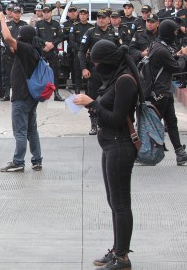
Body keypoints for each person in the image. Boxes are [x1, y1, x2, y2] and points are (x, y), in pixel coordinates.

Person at [73, 40, 140, 270]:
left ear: (109, 61)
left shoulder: (125, 81)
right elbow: (105, 109)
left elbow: (117, 118)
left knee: (121, 203)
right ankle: (116, 249)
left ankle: (123, 257)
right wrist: (91, 106)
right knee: (114, 201)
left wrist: (93, 103)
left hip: (120, 146)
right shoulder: (114, 78)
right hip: (110, 145)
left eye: (99, 62)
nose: (97, 66)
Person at [0, 11, 42, 172]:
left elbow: (9, 39)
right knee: (32, 130)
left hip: (21, 97)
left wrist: (2, 20)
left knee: (20, 131)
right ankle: (37, 160)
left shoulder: (25, 49)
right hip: (30, 96)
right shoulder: (34, 49)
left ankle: (18, 162)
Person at [146, 20, 187, 165]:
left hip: (164, 91)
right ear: (168, 33)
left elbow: (167, 62)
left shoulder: (157, 46)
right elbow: (176, 67)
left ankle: (179, 153)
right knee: (153, 124)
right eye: (174, 32)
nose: (175, 35)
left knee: (171, 122)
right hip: (159, 93)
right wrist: (183, 56)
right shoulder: (161, 50)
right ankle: (144, 152)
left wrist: (177, 55)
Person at [79, 10, 123, 135]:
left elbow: (120, 51)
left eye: (103, 17)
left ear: (109, 19)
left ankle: (106, 122)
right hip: (94, 71)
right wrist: (84, 68)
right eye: (98, 17)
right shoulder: (90, 32)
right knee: (93, 97)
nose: (100, 20)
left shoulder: (114, 33)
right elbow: (81, 51)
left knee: (110, 97)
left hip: (111, 72)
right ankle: (93, 124)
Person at [35, 5, 64, 101]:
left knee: (55, 73)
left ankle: (56, 94)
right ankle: (39, 93)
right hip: (42, 51)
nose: (46, 13)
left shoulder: (56, 24)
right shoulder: (39, 24)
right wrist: (45, 44)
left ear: (51, 13)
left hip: (53, 52)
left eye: (48, 12)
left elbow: (60, 37)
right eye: (44, 12)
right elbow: (35, 37)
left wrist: (52, 44)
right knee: (40, 73)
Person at [0, 6, 27, 101]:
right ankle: (6, 93)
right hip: (9, 53)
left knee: (20, 75)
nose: (17, 14)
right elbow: (4, 38)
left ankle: (18, 93)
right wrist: (9, 47)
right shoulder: (7, 24)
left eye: (18, 12)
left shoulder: (24, 25)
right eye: (15, 12)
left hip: (20, 53)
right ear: (12, 13)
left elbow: (26, 38)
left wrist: (18, 47)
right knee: (8, 75)